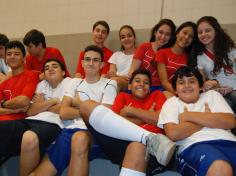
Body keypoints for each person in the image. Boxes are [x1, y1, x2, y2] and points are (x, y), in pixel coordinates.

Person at [30, 45, 117, 176]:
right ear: (82, 63)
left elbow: (103, 117)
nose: (91, 63)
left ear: (102, 64)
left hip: (94, 133)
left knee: (79, 138)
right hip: (68, 131)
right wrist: (89, 109)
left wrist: (77, 104)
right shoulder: (75, 82)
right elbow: (64, 113)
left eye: (96, 60)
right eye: (87, 59)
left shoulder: (109, 84)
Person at [75, 69, 176, 176]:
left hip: (151, 151)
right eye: (137, 81)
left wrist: (130, 111)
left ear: (150, 88)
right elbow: (112, 124)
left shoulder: (157, 95)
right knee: (86, 106)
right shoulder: (122, 97)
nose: (142, 84)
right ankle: (149, 138)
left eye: (146, 82)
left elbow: (160, 119)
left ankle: (148, 140)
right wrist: (146, 116)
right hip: (120, 142)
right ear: (129, 86)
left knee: (137, 147)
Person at [158, 66, 236, 176]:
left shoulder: (212, 95)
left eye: (192, 81)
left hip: (230, 142)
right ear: (175, 89)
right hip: (194, 145)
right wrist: (208, 118)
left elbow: (230, 121)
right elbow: (174, 133)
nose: (187, 86)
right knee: (220, 168)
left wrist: (188, 116)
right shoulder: (172, 103)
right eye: (181, 82)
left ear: (200, 86)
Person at [196, 16, 236, 113]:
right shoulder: (200, 57)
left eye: (207, 30)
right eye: (200, 32)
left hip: (235, 90)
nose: (203, 34)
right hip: (218, 93)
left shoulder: (231, 49)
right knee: (224, 107)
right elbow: (202, 83)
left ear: (216, 30)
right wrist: (211, 84)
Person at [128, 19, 176, 90]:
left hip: (161, 88)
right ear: (155, 32)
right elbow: (133, 70)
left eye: (167, 34)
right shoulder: (144, 47)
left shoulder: (171, 52)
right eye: (161, 32)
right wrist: (130, 85)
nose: (163, 37)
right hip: (142, 86)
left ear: (171, 37)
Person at [0, 40, 39, 121]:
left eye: (16, 54)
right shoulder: (3, 83)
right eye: (9, 54)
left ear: (24, 58)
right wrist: (12, 110)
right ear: (5, 59)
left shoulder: (32, 75)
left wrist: (3, 103)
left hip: (19, 121)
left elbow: (23, 101)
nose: (12, 57)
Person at [156, 21, 199, 94]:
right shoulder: (162, 53)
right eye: (184, 33)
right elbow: (164, 82)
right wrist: (179, 94)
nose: (186, 37)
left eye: (191, 36)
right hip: (166, 92)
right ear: (177, 33)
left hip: (185, 92)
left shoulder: (191, 58)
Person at [107, 25, 136, 91]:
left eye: (129, 36)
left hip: (132, 84)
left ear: (134, 37)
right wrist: (121, 77)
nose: (126, 39)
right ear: (120, 40)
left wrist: (117, 76)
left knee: (114, 81)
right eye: (123, 37)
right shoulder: (116, 55)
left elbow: (133, 78)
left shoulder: (139, 55)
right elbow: (111, 75)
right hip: (116, 83)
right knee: (112, 81)